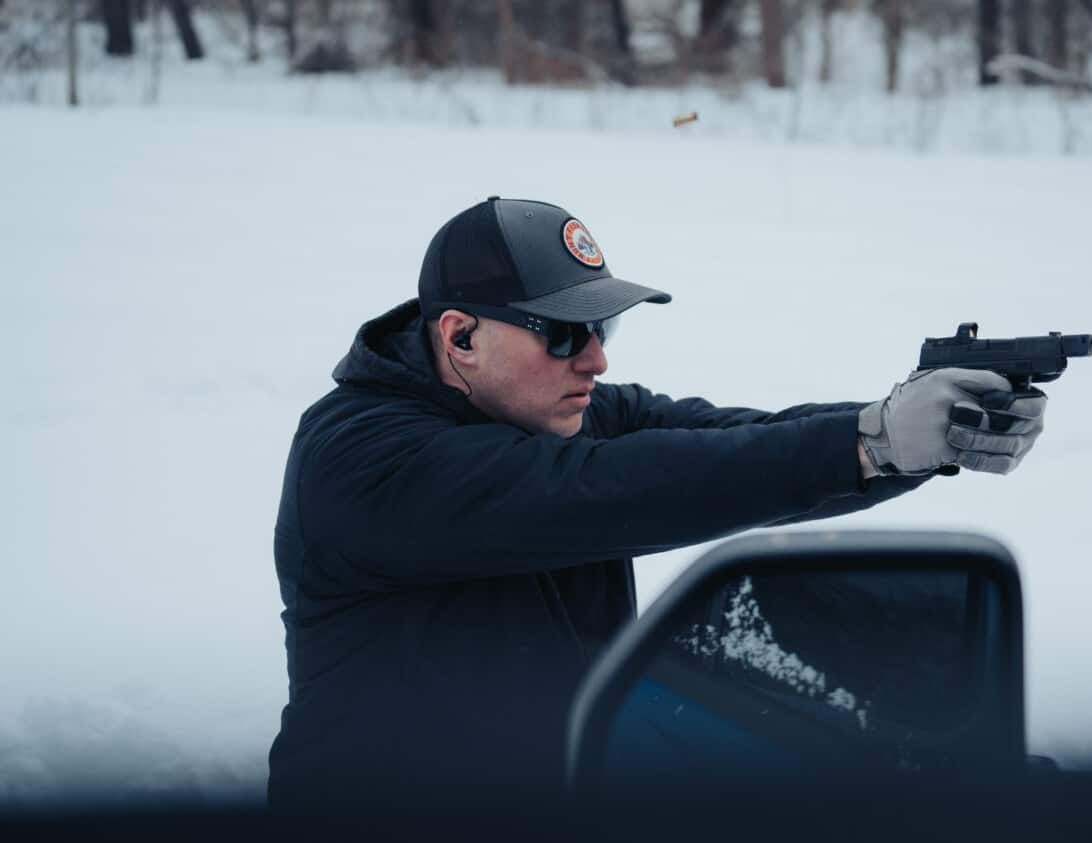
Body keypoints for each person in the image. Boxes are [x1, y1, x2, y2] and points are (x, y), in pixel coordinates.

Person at [267, 196, 1048, 815]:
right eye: (565, 333)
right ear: (461, 336)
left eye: (600, 326)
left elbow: (733, 442)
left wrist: (914, 431)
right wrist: (873, 441)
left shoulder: (561, 409)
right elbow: (613, 488)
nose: (598, 358)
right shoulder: (362, 458)